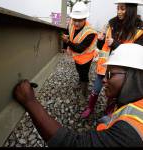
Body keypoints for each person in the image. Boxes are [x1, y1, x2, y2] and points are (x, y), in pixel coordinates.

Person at [13, 43, 143, 147]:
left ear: (134, 77)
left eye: (110, 74)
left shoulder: (131, 131)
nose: (104, 80)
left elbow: (72, 143)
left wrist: (30, 101)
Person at [81, 0, 143, 118]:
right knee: (96, 88)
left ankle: (108, 112)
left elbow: (136, 53)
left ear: (131, 10)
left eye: (122, 8)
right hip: (104, 66)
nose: (119, 11)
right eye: (118, 8)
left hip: (121, 71)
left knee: (114, 93)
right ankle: (90, 107)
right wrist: (100, 40)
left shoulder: (139, 30)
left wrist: (115, 44)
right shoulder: (112, 24)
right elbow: (102, 47)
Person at [61, 1, 97, 97]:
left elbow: (80, 49)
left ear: (85, 18)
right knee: (78, 70)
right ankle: (80, 82)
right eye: (75, 19)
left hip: (86, 58)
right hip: (77, 57)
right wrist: (64, 47)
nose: (76, 23)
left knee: (84, 74)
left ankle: (84, 92)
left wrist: (67, 42)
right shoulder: (71, 23)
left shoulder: (90, 32)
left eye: (80, 20)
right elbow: (66, 33)